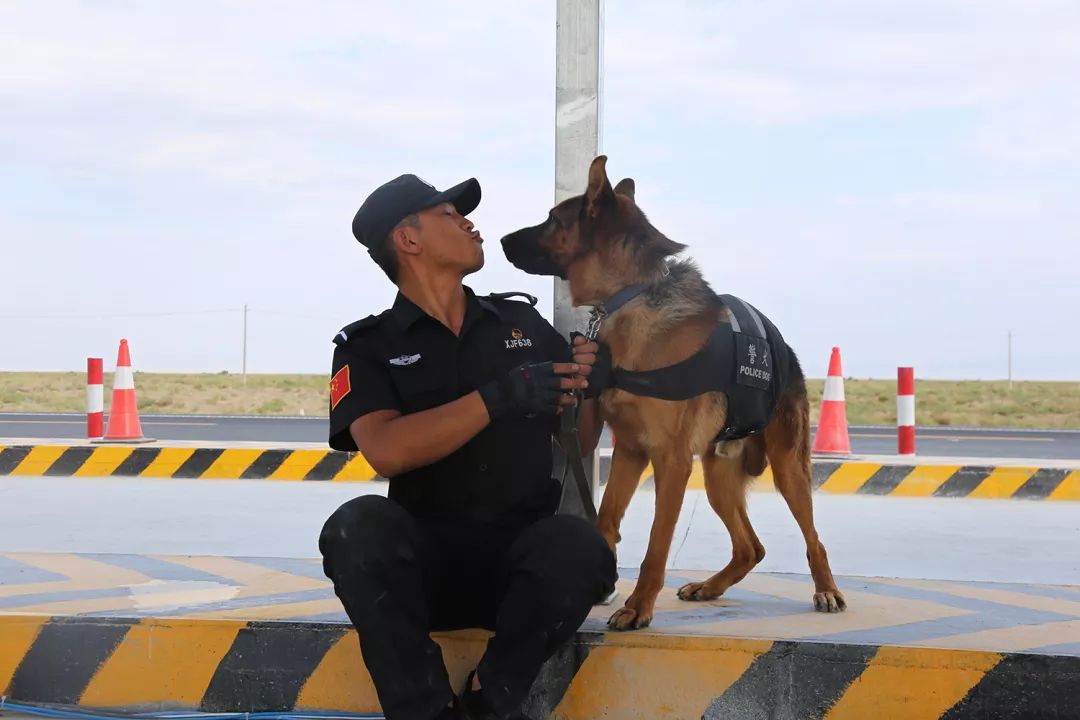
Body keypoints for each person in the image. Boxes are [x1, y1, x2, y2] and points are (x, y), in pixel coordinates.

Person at [319, 173, 617, 720]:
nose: (470, 224)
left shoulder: (521, 323)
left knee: (581, 547)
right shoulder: (367, 347)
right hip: (423, 572)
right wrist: (498, 397)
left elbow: (580, 436)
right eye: (450, 216)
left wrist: (592, 384)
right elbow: (385, 448)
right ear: (408, 240)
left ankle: (489, 701)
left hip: (517, 570)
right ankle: (425, 710)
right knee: (355, 527)